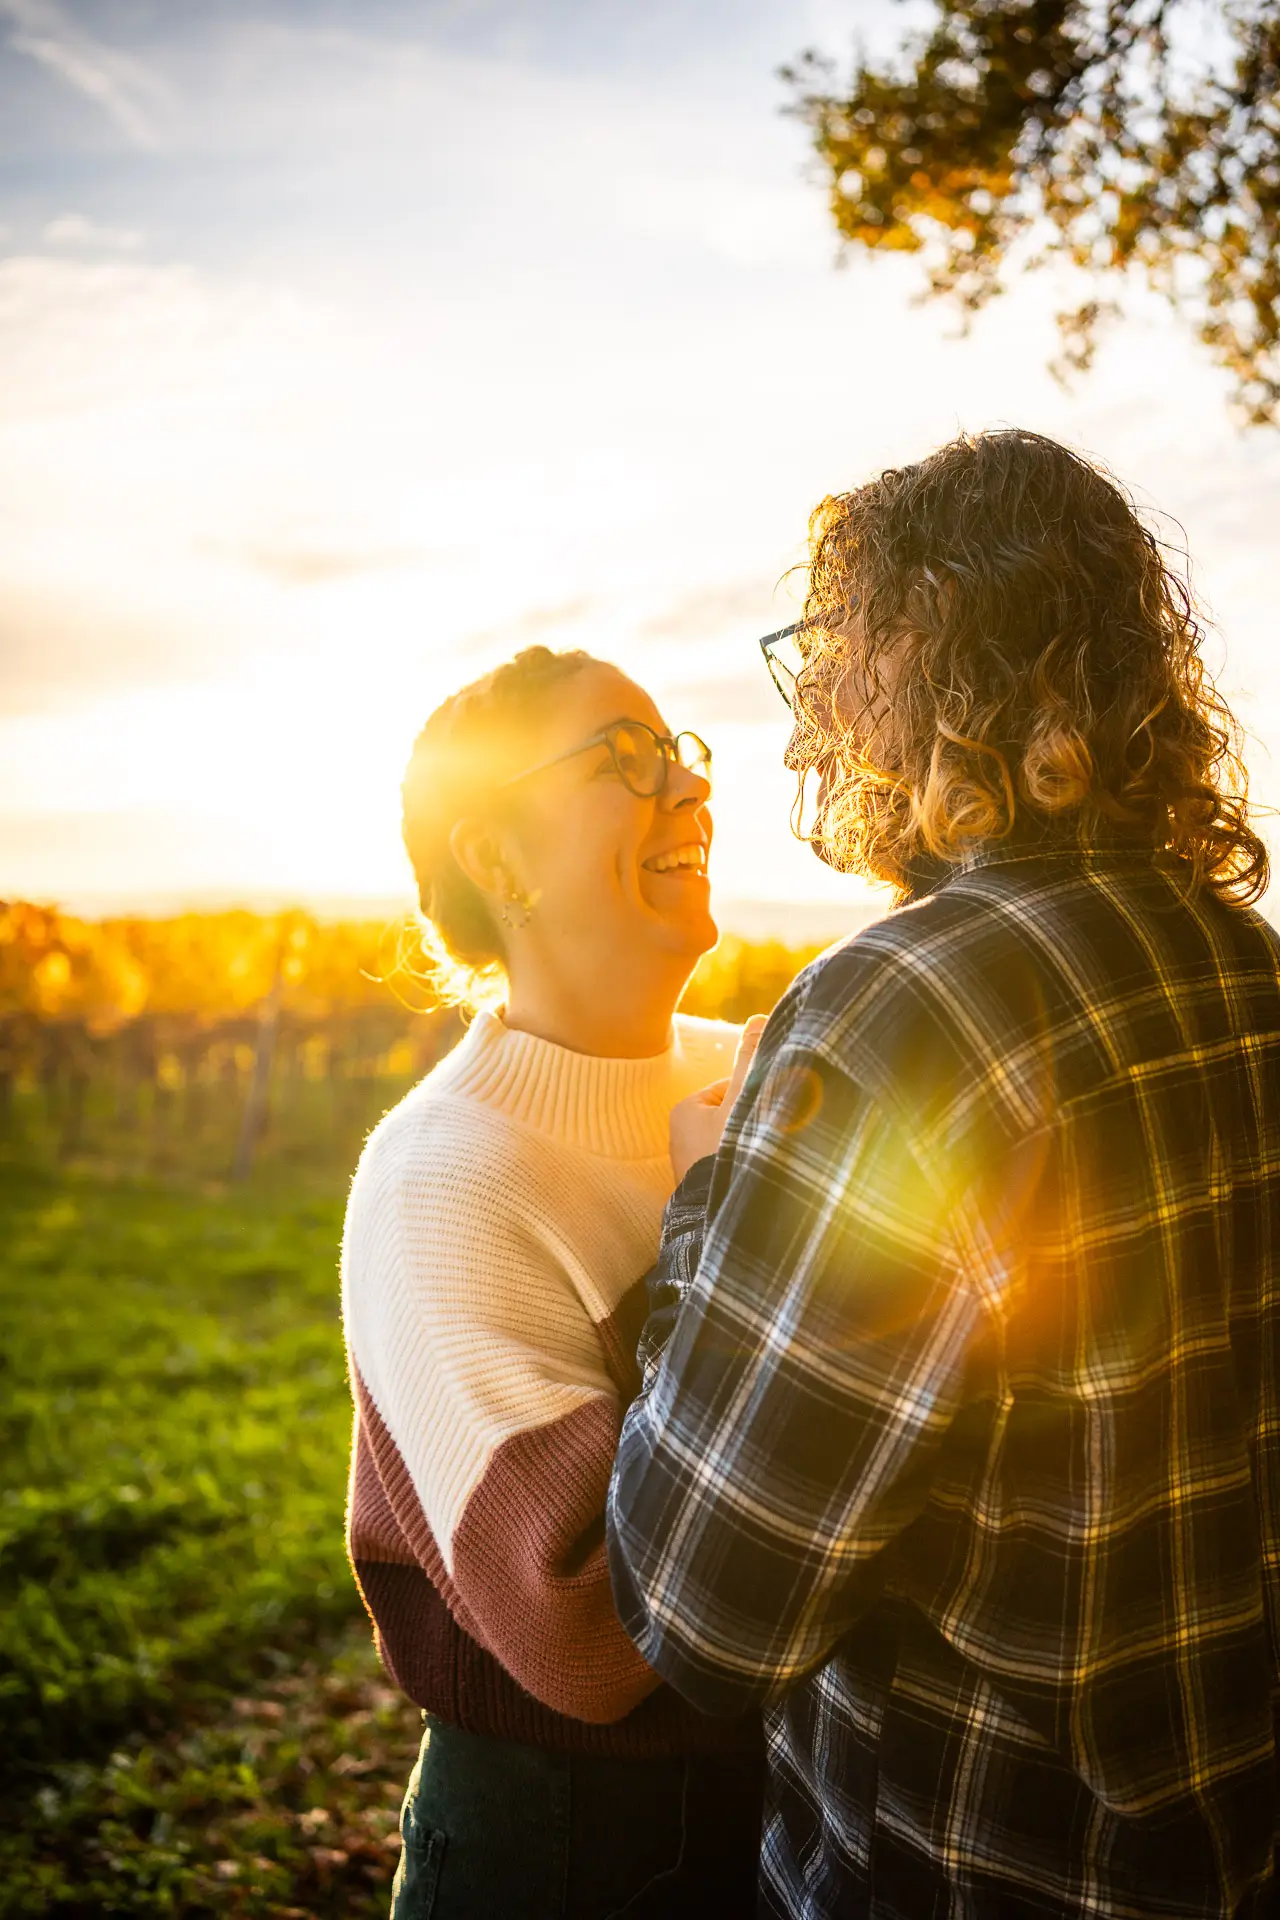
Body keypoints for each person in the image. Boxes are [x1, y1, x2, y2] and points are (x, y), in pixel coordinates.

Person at [607, 429, 1280, 1919]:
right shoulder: (1249, 971)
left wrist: (711, 1204)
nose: (816, 712)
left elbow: (702, 1607)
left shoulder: (899, 1018)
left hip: (969, 1868)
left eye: (840, 651)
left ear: (938, 669)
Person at [341, 644, 763, 1919]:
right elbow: (583, 1629)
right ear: (499, 856)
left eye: (677, 752)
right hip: (571, 1841)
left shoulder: (756, 1072)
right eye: (623, 759)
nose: (685, 789)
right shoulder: (445, 1180)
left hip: (780, 1808)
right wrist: (716, 1219)